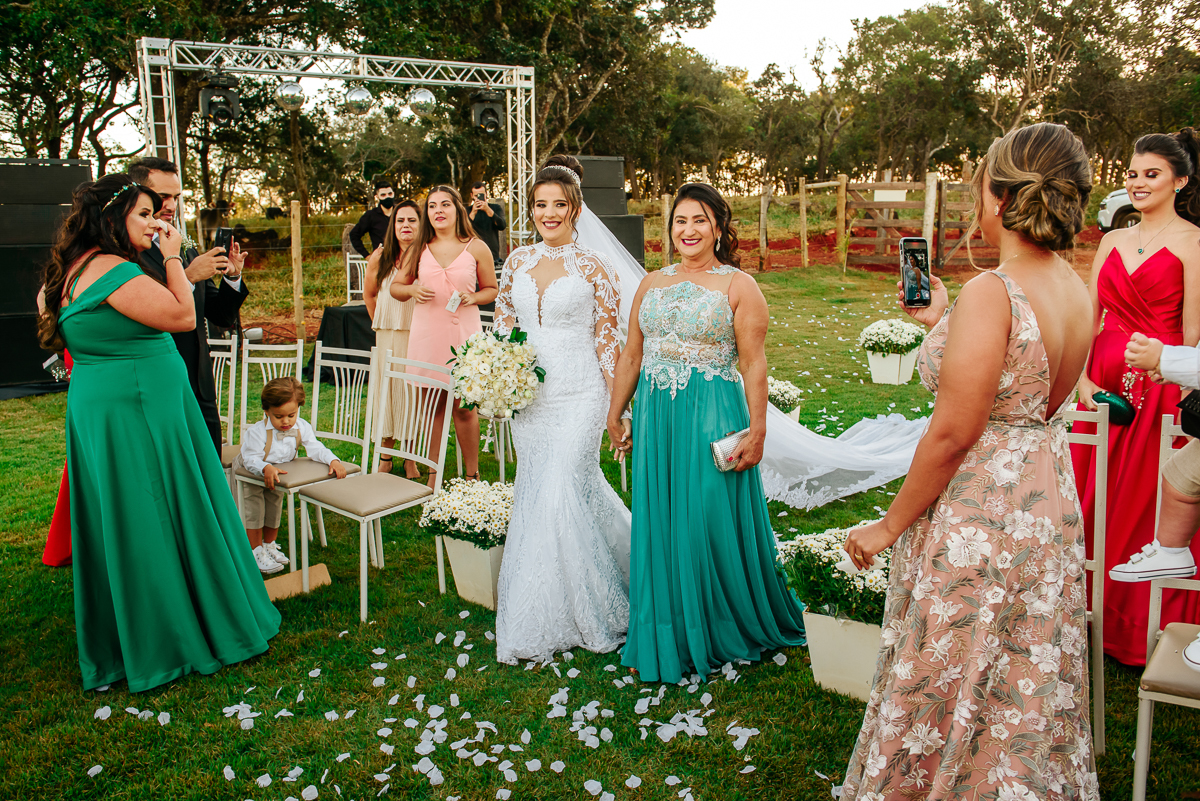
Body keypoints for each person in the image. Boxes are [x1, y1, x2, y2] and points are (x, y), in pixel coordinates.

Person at [840, 122, 1098, 798]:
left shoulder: (995, 289)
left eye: (979, 184)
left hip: (985, 506)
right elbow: (1023, 375)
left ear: (1001, 195)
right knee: (1020, 671)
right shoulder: (1076, 285)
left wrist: (888, 526)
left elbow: (953, 432)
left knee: (954, 663)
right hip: (1046, 502)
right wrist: (941, 319)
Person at [36, 174, 280, 692]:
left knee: (133, 516)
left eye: (158, 212)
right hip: (140, 407)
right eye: (144, 213)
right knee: (159, 512)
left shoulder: (73, 268)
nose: (156, 222)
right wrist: (174, 260)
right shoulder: (111, 267)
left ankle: (140, 627)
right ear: (111, 219)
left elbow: (52, 313)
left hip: (112, 404)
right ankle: (179, 630)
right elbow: (182, 314)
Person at [605, 182, 806, 684]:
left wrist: (757, 431)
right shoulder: (651, 283)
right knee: (662, 514)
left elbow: (754, 363)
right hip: (657, 417)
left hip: (711, 415)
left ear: (718, 226)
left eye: (699, 220)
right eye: (680, 221)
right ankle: (667, 622)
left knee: (706, 515)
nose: (688, 230)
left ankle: (719, 622)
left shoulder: (740, 287)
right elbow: (632, 353)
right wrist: (617, 411)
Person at [493, 157, 632, 664]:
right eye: (539, 205)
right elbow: (504, 329)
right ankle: (556, 603)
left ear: (575, 209)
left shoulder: (596, 268)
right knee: (542, 492)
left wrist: (618, 410)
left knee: (560, 488)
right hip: (529, 396)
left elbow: (608, 344)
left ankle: (589, 612)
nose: (548, 213)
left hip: (580, 393)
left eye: (558, 204)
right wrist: (494, 378)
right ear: (531, 211)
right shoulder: (516, 263)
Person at [1072, 127, 1200, 665]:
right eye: (1133, 174)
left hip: (1160, 389)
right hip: (1100, 379)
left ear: (1180, 180)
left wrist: (1165, 377)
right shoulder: (1111, 240)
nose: (1140, 183)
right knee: (1091, 500)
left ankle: (1138, 628)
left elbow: (1192, 334)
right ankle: (1078, 616)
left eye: (1152, 174)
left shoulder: (1194, 241)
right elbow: (1087, 319)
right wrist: (1084, 383)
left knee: (1147, 502)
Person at [129, 156, 249, 456]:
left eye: (176, 197)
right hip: (157, 384)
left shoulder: (185, 246)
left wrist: (233, 277)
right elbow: (148, 311)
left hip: (199, 383)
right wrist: (189, 275)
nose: (171, 205)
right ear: (138, 195)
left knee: (209, 468)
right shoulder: (127, 252)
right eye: (163, 196)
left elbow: (219, 314)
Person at [392, 186, 497, 484]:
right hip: (428, 338)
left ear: (457, 210)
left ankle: (471, 475)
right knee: (433, 409)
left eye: (445, 205)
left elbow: (491, 289)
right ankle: (432, 474)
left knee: (465, 410)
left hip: (465, 339)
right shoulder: (418, 249)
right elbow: (395, 288)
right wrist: (411, 289)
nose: (438, 210)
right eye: (433, 206)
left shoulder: (476, 247)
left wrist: (472, 297)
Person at [234, 376, 348, 574]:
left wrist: (333, 460)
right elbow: (250, 458)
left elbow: (315, 447)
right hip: (252, 472)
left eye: (291, 415)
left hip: (278, 472)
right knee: (254, 509)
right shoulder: (257, 432)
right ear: (267, 411)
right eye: (279, 417)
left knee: (274, 506)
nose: (286, 421)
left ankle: (269, 544)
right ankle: (255, 551)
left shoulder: (301, 427)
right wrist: (264, 468)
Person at [365, 199, 422, 479]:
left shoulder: (427, 257)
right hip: (387, 337)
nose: (406, 226)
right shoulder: (381, 256)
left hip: (417, 337)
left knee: (410, 394)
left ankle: (409, 458)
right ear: (393, 225)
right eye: (400, 221)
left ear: (421, 224)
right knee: (387, 394)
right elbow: (370, 294)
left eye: (412, 220)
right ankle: (386, 454)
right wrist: (383, 320)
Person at [349, 180, 396, 258]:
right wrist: (367, 256)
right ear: (377, 197)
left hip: (402, 260)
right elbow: (354, 234)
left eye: (390, 194)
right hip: (381, 260)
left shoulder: (401, 212)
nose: (387, 197)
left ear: (393, 194)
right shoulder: (371, 215)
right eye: (383, 195)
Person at [467, 181, 507, 266]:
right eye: (476, 196)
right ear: (472, 196)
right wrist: (473, 212)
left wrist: (488, 210)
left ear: (486, 194)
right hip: (473, 254)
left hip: (492, 253)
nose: (479, 198)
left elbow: (502, 225)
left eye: (481, 195)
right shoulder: (467, 211)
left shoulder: (495, 208)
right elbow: (463, 229)